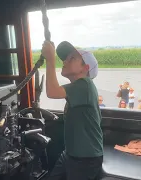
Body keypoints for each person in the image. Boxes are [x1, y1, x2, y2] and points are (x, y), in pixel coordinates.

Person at [42, 40, 103, 180]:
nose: (64, 61)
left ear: (85, 68)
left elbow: (52, 92)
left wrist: (50, 60)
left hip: (85, 159)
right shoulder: (77, 88)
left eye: (72, 58)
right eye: (65, 58)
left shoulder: (85, 85)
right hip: (71, 154)